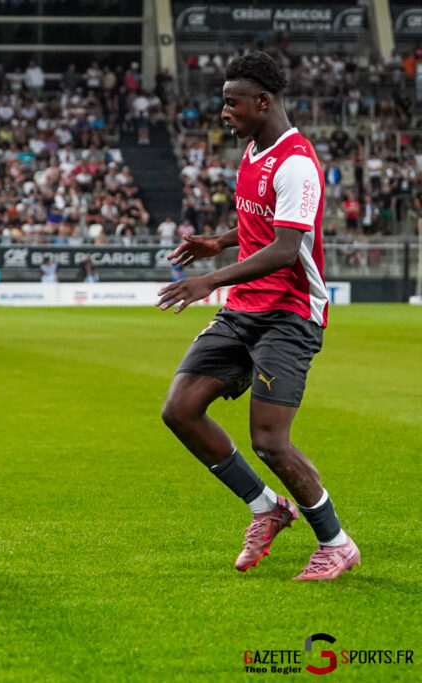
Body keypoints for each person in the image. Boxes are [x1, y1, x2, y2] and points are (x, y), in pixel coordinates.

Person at [157, 52, 358, 581]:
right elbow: (259, 222)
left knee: (270, 441)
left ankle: (336, 542)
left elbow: (287, 249)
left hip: (289, 315)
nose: (223, 111)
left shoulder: (296, 162)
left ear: (262, 102)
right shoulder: (254, 150)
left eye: (231, 102)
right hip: (245, 309)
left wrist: (209, 279)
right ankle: (266, 508)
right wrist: (218, 241)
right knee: (180, 410)